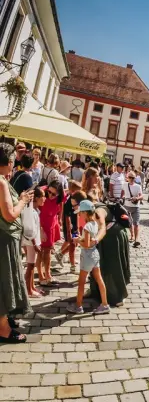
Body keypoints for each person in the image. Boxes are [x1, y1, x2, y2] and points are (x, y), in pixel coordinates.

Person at [0, 144, 34, 343]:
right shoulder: (2, 182)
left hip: (5, 238)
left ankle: (5, 322)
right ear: (10, 161)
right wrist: (22, 200)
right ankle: (3, 329)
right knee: (4, 282)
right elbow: (10, 214)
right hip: (4, 239)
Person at [71, 199, 110, 315]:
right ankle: (104, 304)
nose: (79, 215)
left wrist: (77, 240)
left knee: (81, 281)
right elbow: (91, 241)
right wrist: (82, 238)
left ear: (85, 213)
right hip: (94, 254)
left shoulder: (87, 226)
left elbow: (86, 245)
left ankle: (78, 306)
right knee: (99, 279)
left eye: (80, 213)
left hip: (87, 255)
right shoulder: (94, 224)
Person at [36, 183, 64, 286]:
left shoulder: (59, 197)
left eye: (54, 194)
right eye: (49, 192)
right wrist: (40, 229)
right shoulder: (42, 192)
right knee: (40, 251)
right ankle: (40, 276)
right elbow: (35, 210)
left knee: (48, 251)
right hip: (40, 225)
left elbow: (61, 204)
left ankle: (48, 274)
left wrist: (59, 218)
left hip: (51, 225)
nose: (51, 195)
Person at [21, 185, 43, 298]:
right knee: (30, 266)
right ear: (36, 198)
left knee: (31, 265)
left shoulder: (34, 210)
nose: (44, 199)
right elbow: (30, 228)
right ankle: (28, 291)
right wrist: (35, 243)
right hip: (31, 242)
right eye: (42, 197)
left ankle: (32, 287)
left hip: (32, 241)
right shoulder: (31, 211)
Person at [58, 181, 82, 273]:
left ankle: (60, 254)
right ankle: (72, 266)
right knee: (72, 245)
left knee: (75, 244)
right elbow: (67, 217)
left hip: (75, 225)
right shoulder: (69, 201)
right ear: (72, 190)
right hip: (70, 226)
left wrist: (78, 227)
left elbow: (77, 214)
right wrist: (68, 231)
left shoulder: (76, 199)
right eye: (77, 191)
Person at [123, 173, 143, 248]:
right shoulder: (125, 184)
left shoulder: (138, 186)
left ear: (135, 178)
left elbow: (141, 196)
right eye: (130, 177)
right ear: (127, 178)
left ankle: (136, 239)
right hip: (126, 206)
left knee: (136, 223)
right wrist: (122, 197)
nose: (131, 179)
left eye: (133, 178)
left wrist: (137, 198)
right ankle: (131, 236)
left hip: (135, 207)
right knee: (129, 222)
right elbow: (122, 193)